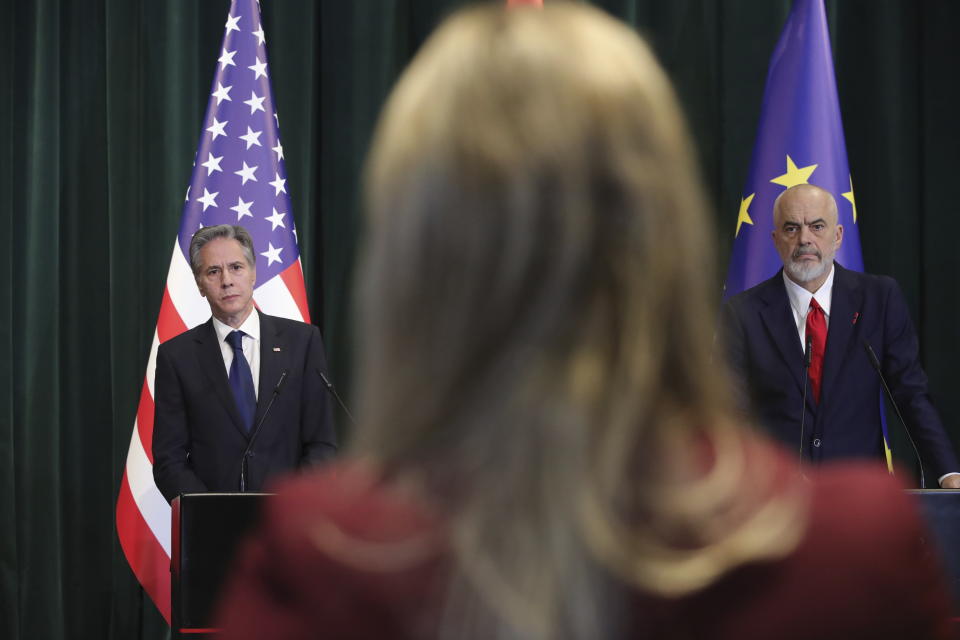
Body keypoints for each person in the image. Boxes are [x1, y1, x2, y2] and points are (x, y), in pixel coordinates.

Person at [215, 5, 952, 639]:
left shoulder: (323, 562)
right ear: (668, 238)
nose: (807, 242)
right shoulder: (857, 553)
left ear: (408, 265)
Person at [720, 183, 960, 488]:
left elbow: (910, 393)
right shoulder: (743, 313)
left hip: (859, 494)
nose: (804, 239)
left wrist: (947, 471)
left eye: (817, 226)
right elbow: (729, 410)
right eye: (791, 228)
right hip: (777, 499)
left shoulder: (879, 299)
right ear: (776, 240)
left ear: (837, 236)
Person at [152, 224, 337, 502]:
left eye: (236, 267)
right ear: (200, 284)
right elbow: (169, 460)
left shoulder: (302, 343)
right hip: (213, 528)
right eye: (213, 271)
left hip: (289, 522)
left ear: (253, 273)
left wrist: (294, 507)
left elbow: (322, 443)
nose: (226, 280)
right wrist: (213, 512)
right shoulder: (177, 356)